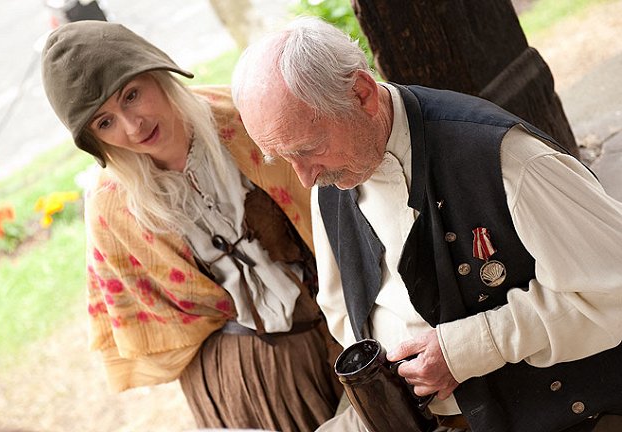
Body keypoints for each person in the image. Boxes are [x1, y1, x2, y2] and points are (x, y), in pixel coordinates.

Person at [231, 16, 622, 432]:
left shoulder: (504, 159)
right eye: (284, 158)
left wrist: (468, 348)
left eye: (308, 149)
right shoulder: (329, 175)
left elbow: (613, 290)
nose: (304, 177)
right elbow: (341, 310)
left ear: (362, 94)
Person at [40, 21, 342, 431]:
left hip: (334, 321)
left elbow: (335, 203)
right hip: (240, 376)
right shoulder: (112, 208)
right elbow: (152, 317)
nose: (132, 127)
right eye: (104, 122)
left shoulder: (242, 118)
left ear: (156, 72)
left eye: (131, 96)